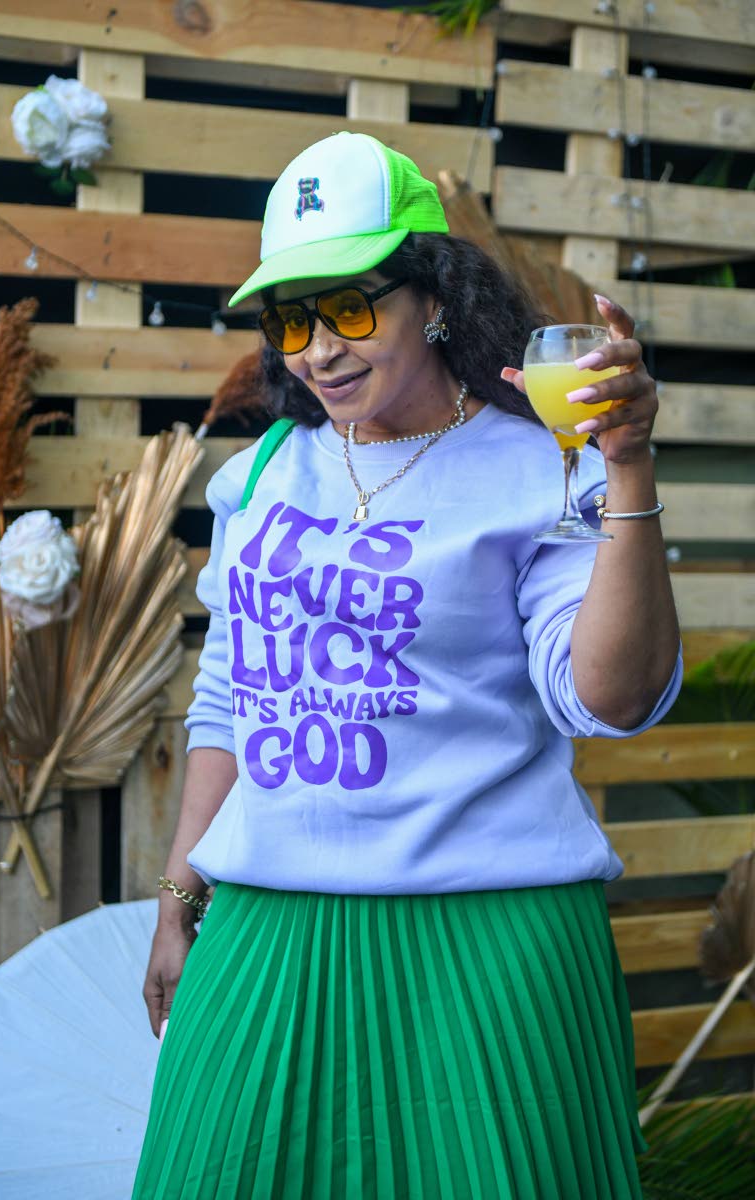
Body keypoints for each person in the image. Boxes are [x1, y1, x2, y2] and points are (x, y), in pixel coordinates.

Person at [132, 132, 682, 1199]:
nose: (316, 350)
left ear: (430, 295)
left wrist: (624, 469)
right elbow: (231, 696)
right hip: (270, 925)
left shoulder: (539, 466)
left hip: (488, 939)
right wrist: (174, 893)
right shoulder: (262, 476)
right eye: (289, 319)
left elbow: (607, 697)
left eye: (347, 308)